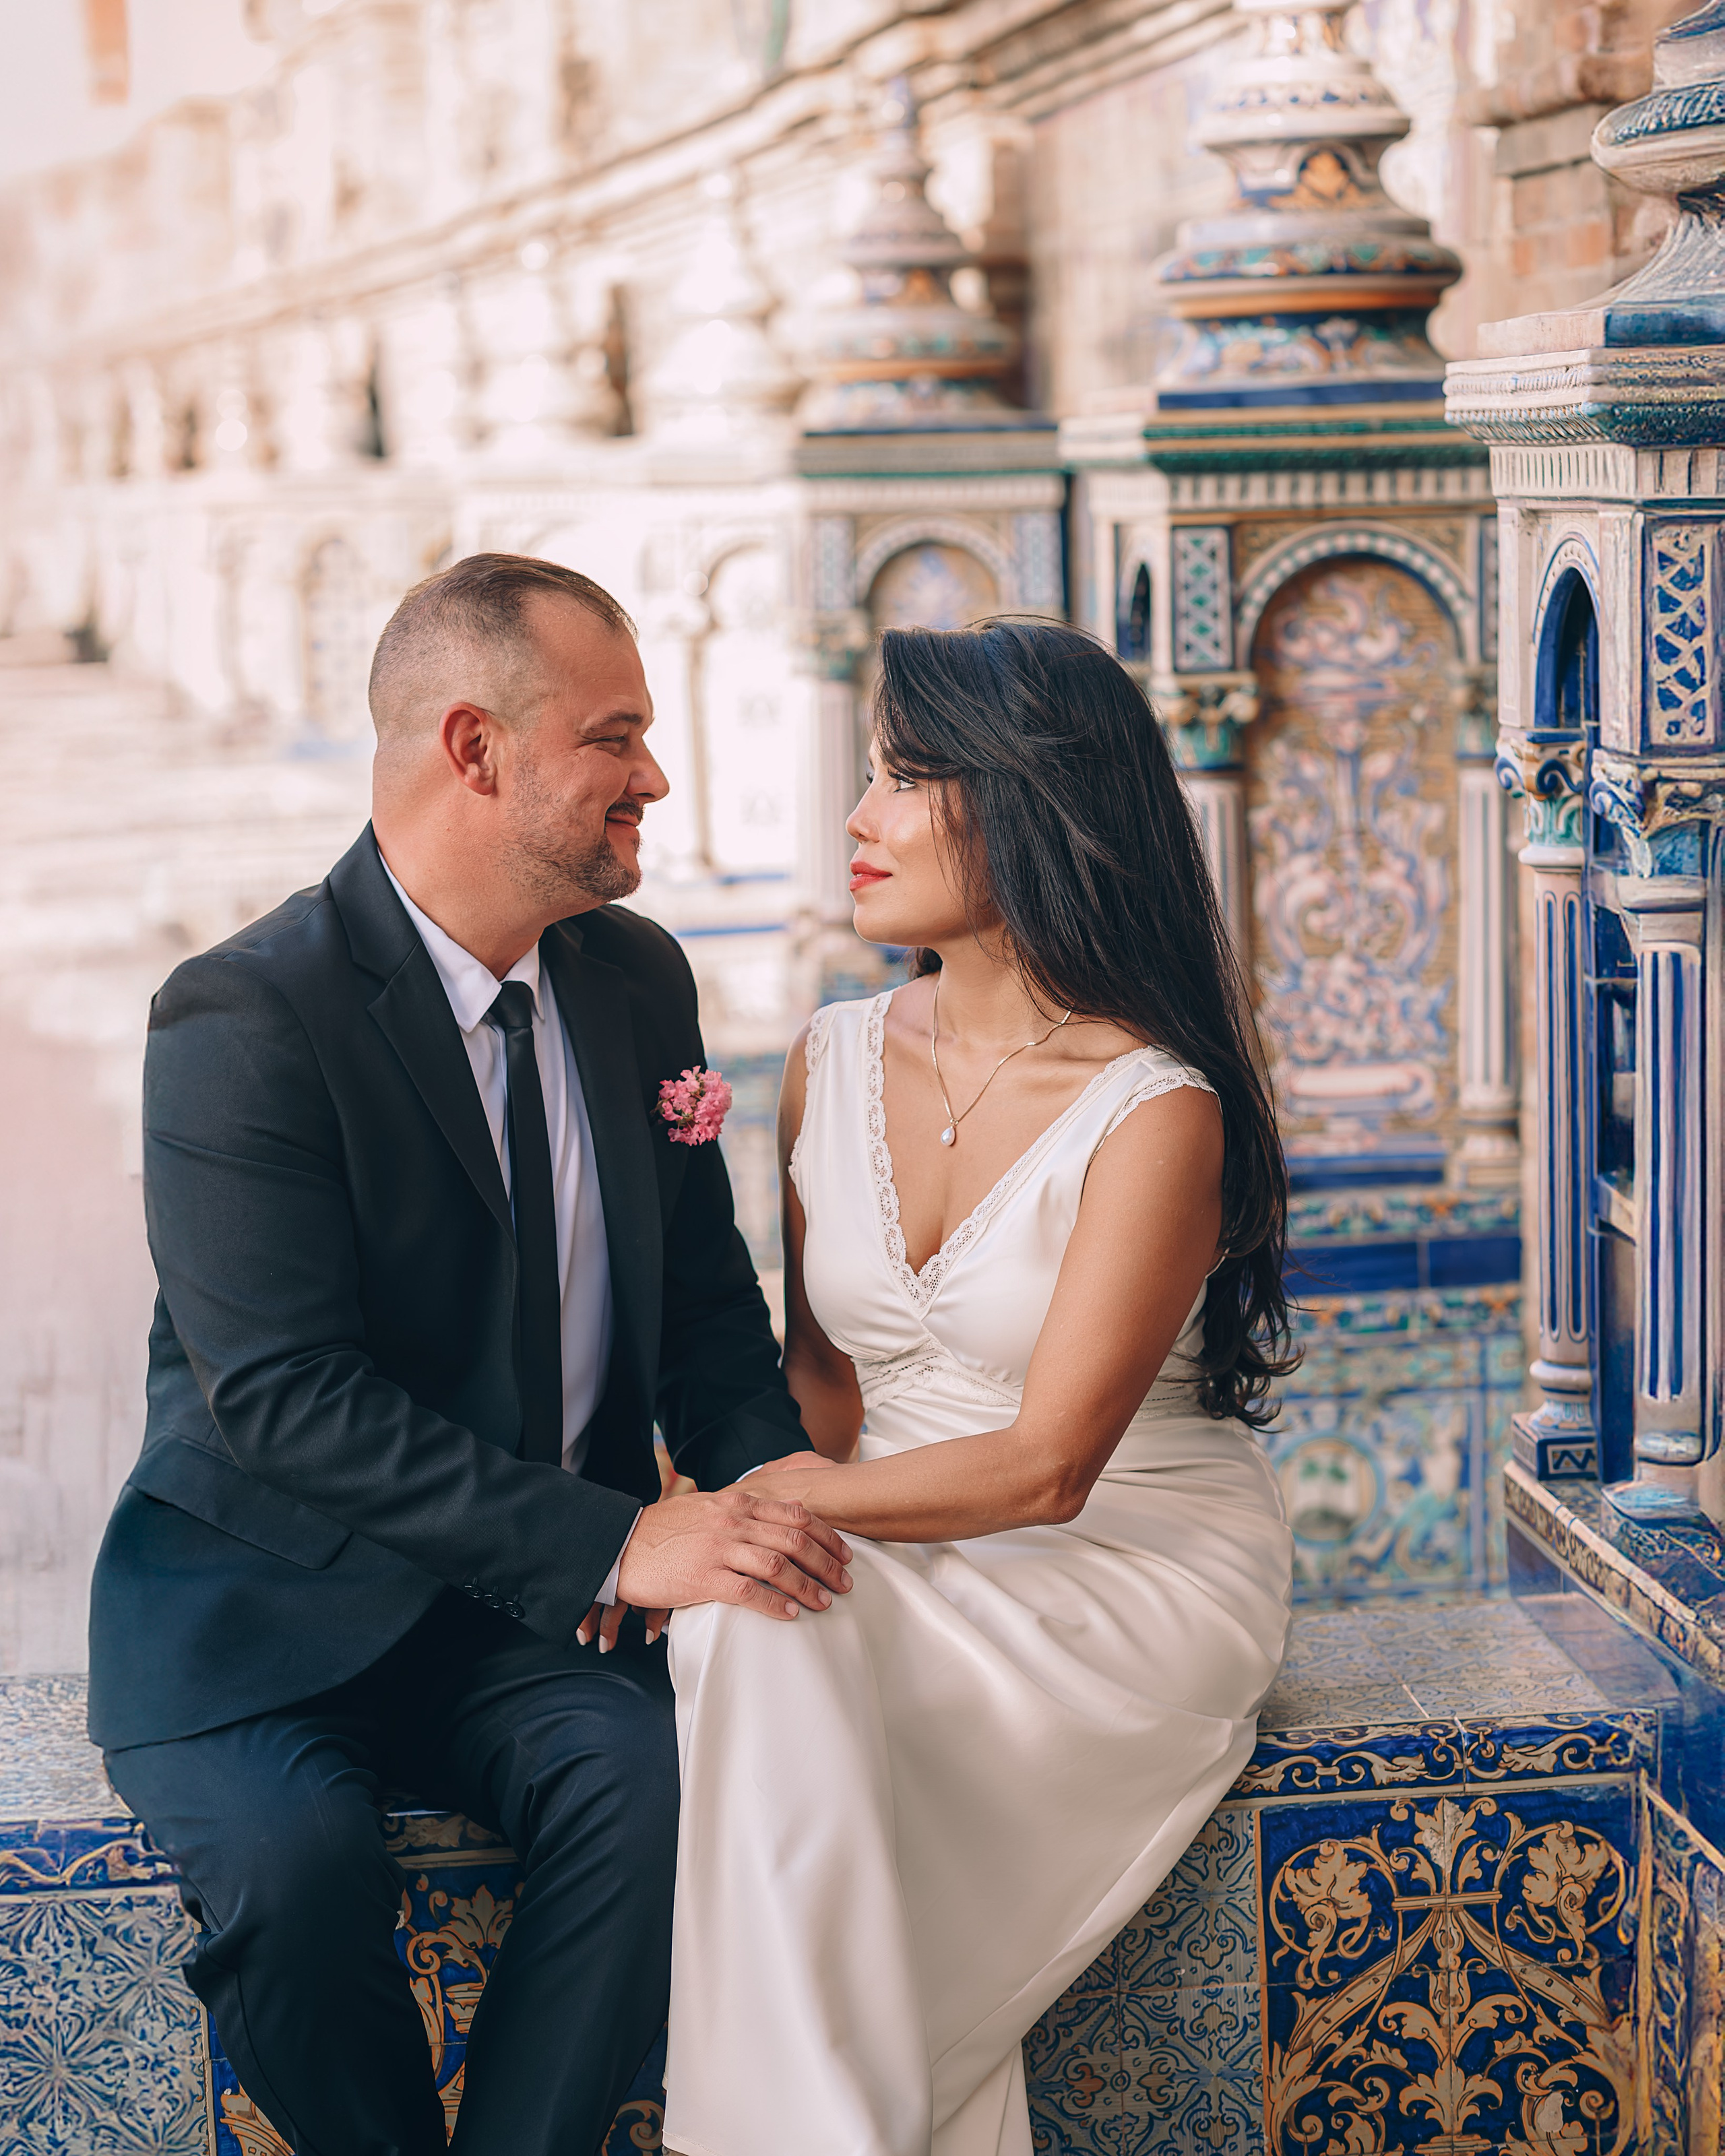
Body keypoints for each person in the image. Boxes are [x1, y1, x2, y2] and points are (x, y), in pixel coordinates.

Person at [87, 553, 852, 2156]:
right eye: (615, 735)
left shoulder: (637, 979)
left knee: (651, 1795)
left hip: (529, 1628)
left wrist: (782, 1502)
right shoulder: (243, 1016)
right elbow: (285, 1399)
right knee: (294, 1883)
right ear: (474, 749)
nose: (655, 774)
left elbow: (706, 1310)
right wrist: (623, 1535)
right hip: (261, 1610)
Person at [658, 620, 1296, 2156]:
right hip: (896, 1527)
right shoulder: (827, 1054)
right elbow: (822, 1375)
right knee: (754, 1617)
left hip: (1112, 1557)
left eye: (903, 780)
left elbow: (1048, 1468)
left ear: (1031, 803)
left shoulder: (1154, 1105)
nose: (857, 822)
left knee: (757, 1608)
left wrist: (763, 1507)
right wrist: (739, 1508)